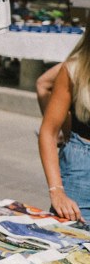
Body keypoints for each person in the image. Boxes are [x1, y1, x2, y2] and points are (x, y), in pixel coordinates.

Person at [39, 29, 90, 221]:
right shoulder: (75, 69)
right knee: (76, 247)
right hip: (83, 171)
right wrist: (56, 191)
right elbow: (48, 131)